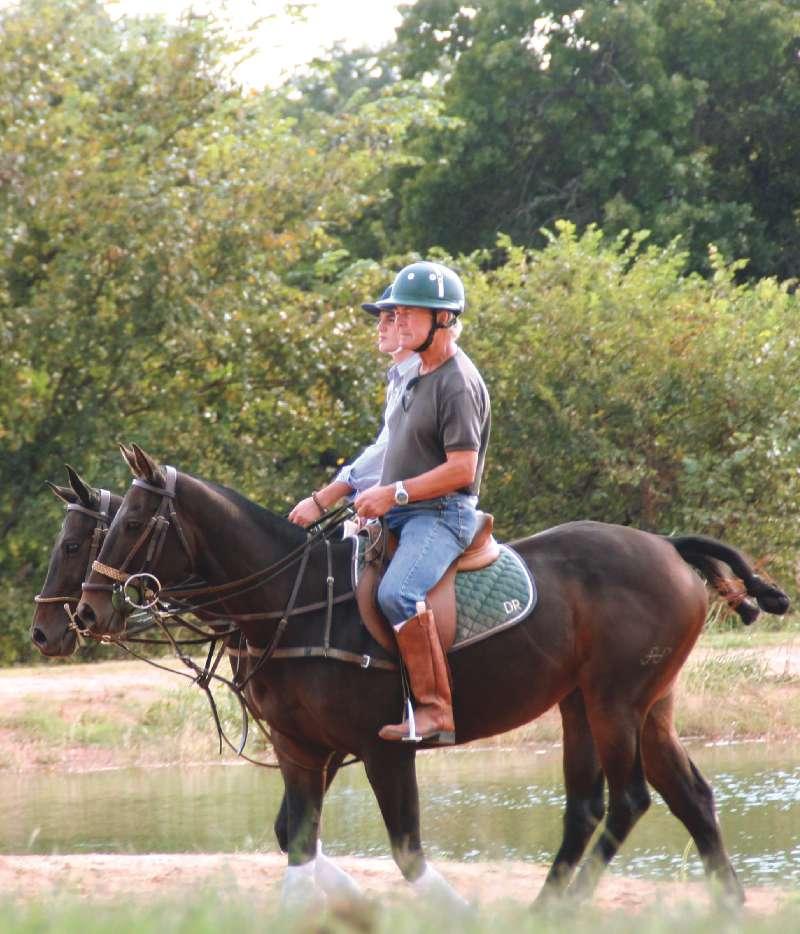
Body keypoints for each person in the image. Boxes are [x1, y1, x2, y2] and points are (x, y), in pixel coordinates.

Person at [353, 261, 490, 745]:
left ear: (444, 319)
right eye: (400, 312)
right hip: (403, 511)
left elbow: (462, 469)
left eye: (412, 313)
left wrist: (393, 493)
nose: (401, 320)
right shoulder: (416, 374)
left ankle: (435, 711)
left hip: (442, 514)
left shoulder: (457, 381)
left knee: (398, 592)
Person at [288, 287, 420, 526]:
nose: (380, 327)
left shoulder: (421, 379)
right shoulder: (398, 378)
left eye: (390, 319)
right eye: (380, 320)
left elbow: (388, 451)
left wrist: (323, 499)